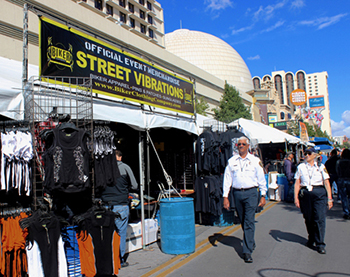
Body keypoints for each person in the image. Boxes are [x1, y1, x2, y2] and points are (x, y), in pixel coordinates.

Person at [223, 136, 267, 263]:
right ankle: (250, 241)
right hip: (237, 193)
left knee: (249, 220)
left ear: (248, 146)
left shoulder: (255, 160)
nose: (241, 146)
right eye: (239, 144)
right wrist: (225, 196)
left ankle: (247, 251)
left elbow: (261, 178)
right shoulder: (232, 161)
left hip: (251, 193)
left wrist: (263, 195)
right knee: (242, 220)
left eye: (243, 144)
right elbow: (227, 179)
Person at [101, 150, 138, 267]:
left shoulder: (103, 168)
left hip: (106, 205)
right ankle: (119, 260)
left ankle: (107, 259)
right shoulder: (125, 167)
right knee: (120, 233)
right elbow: (135, 185)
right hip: (121, 205)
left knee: (107, 233)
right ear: (120, 157)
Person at [294, 147, 333, 254]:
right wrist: (296, 197)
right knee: (308, 218)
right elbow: (297, 183)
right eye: (305, 153)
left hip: (319, 193)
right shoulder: (301, 167)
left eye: (309, 153)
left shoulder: (321, 166)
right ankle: (311, 238)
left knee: (319, 218)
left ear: (315, 155)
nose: (306, 155)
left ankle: (320, 243)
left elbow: (326, 182)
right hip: (306, 194)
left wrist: (329, 198)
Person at [335, 148, 350, 219]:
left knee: (344, 197)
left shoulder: (339, 162)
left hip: (342, 179)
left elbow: (337, 171)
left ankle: (346, 212)